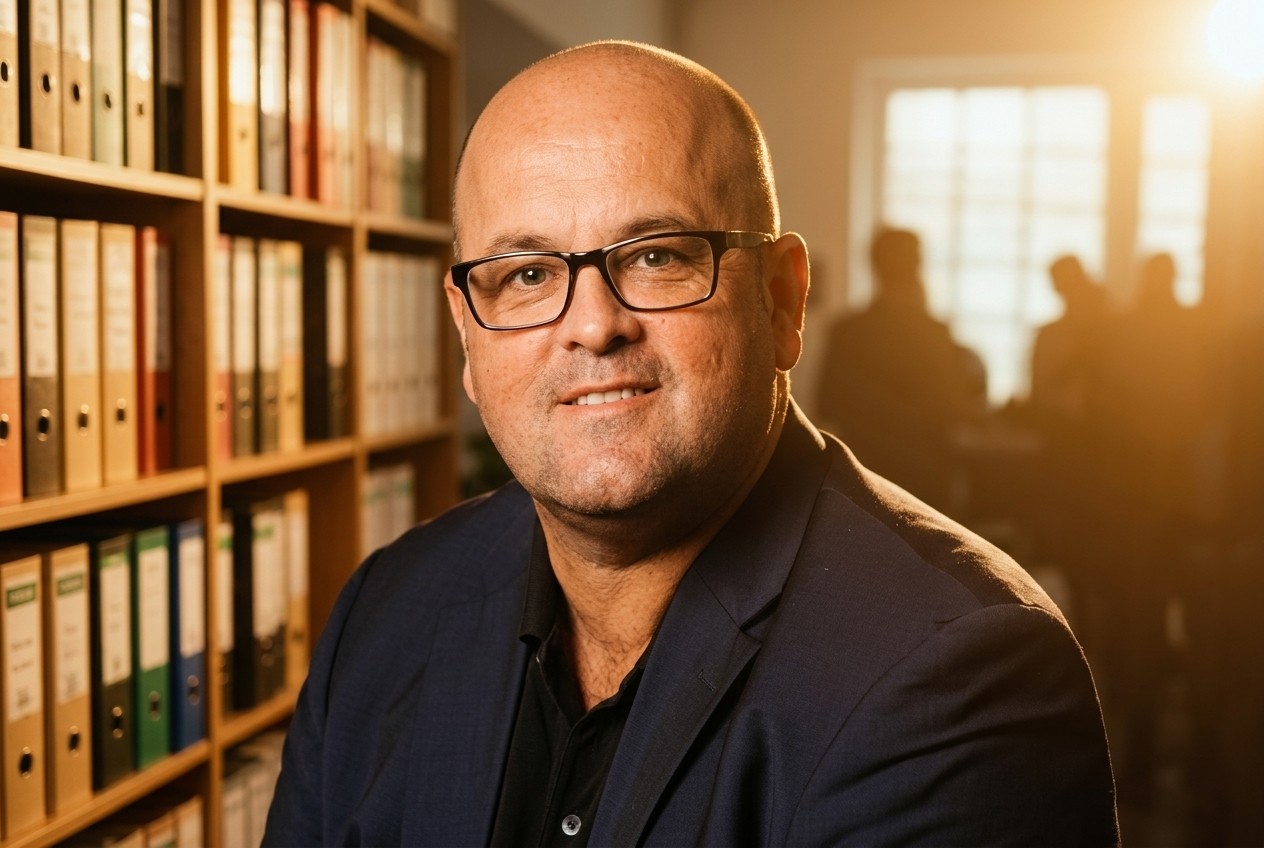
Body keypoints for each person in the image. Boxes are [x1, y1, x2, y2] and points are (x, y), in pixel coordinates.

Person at [264, 41, 1117, 846]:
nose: (593, 326)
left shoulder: (956, 679)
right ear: (467, 339)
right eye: (527, 275)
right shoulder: (387, 609)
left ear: (782, 303)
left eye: (658, 256)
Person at [816, 227, 987, 516]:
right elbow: (951, 410)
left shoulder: (847, 332)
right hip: (923, 483)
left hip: (861, 479)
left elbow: (827, 405)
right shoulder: (935, 335)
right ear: (917, 266)